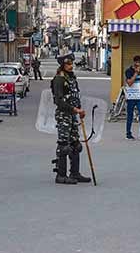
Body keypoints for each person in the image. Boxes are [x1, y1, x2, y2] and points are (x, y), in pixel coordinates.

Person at [51, 53, 92, 185]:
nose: (70, 66)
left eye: (71, 63)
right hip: (64, 115)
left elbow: (75, 96)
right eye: (68, 64)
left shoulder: (72, 78)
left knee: (76, 144)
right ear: (62, 65)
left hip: (73, 115)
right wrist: (75, 110)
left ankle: (75, 173)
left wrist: (79, 110)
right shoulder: (59, 79)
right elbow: (59, 101)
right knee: (64, 146)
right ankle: (61, 175)